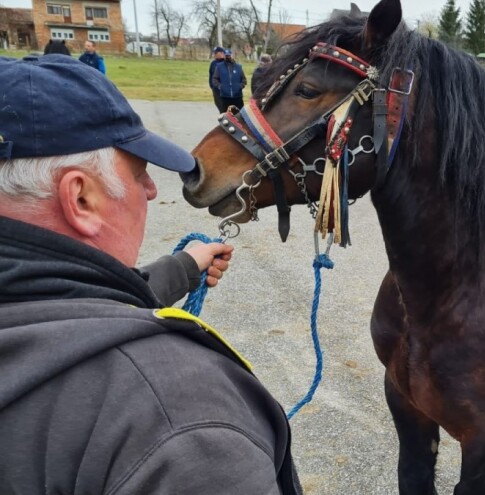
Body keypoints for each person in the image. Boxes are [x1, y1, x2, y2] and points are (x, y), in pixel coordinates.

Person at [0, 55, 302, 494]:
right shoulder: (181, 422)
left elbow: (65, 306)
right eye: (139, 173)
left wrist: (183, 268)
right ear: (80, 200)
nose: (152, 190)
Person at [209, 45, 226, 113]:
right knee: (219, 105)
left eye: (216, 53)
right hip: (216, 90)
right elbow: (211, 74)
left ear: (222, 53)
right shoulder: (213, 63)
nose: (214, 55)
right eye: (214, 53)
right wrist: (211, 85)